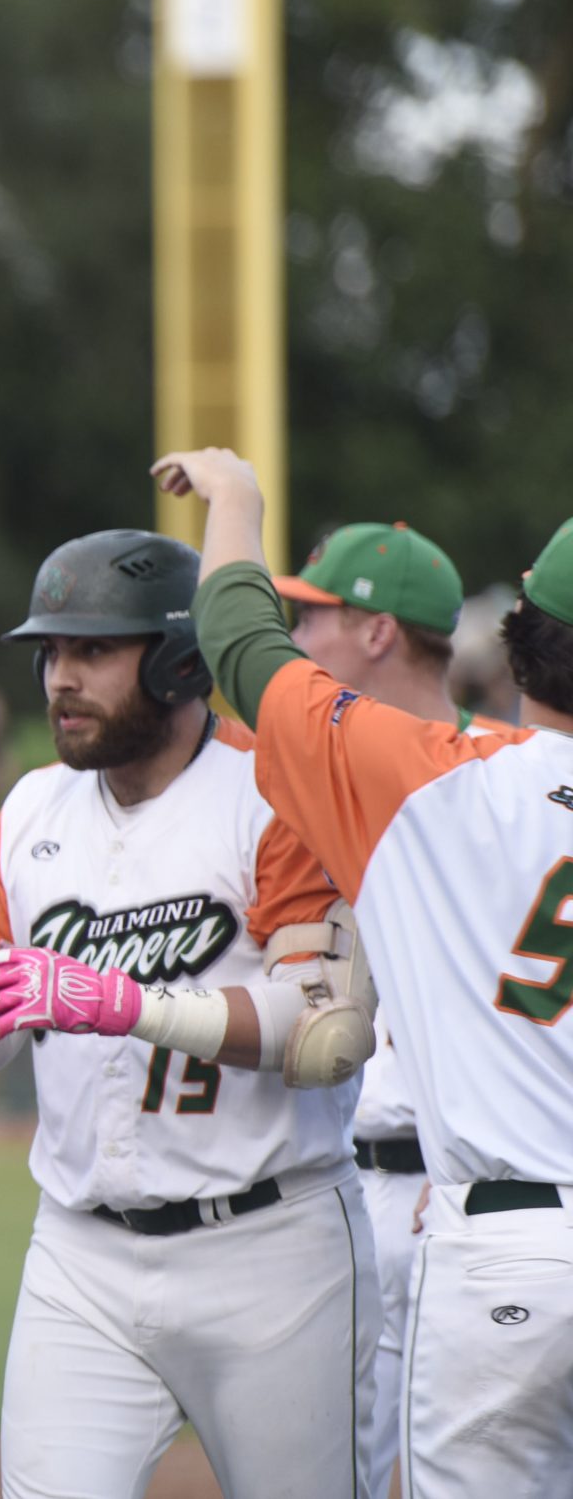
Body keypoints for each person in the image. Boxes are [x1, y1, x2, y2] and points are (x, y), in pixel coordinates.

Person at [0, 529, 377, 1499]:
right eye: (50, 652)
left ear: (182, 658)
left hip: (271, 1250)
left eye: (93, 650)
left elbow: (324, 1029)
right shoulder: (31, 808)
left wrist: (130, 1004)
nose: (61, 676)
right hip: (81, 1254)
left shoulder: (272, 788)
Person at [158, 448, 573, 1499]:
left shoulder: (430, 785)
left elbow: (239, 641)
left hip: (507, 1245)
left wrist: (239, 502)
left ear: (521, 643)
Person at [272, 519, 490, 1498]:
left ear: (377, 633)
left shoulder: (508, 777)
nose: (298, 635)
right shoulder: (309, 775)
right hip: (342, 1190)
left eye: (316, 613)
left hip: (468, 1191)